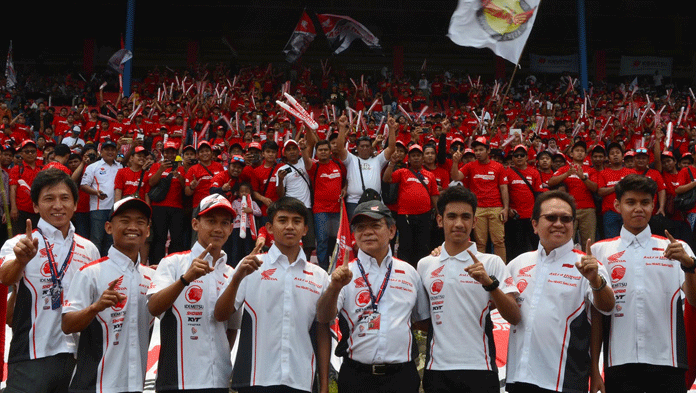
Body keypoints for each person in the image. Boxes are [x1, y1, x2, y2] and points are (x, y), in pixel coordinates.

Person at [590, 174, 696, 393]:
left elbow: (695, 301)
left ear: (653, 205)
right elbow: (596, 316)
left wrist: (689, 266)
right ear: (617, 205)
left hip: (669, 360)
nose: (638, 208)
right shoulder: (599, 251)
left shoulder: (678, 248)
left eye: (645, 202)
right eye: (631, 202)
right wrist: (593, 369)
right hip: (619, 360)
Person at [214, 196, 331, 393]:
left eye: (297, 221)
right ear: (269, 227)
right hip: (254, 379)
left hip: (301, 379)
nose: (290, 227)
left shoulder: (319, 276)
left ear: (305, 229)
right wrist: (236, 279)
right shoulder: (250, 266)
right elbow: (220, 314)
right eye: (282, 220)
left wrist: (325, 386)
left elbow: (322, 332)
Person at [0, 169, 100, 393]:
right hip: (32, 354)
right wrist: (20, 260)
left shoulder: (89, 249)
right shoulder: (20, 243)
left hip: (77, 355)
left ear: (75, 204)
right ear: (35, 206)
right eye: (49, 199)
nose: (58, 205)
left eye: (65, 198)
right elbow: (5, 277)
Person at [505, 190, 615, 393]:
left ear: (573, 225)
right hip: (518, 377)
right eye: (551, 217)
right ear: (535, 224)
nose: (559, 224)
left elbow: (607, 307)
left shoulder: (589, 265)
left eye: (566, 219)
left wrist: (595, 280)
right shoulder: (517, 264)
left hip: (566, 381)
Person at [315, 199, 430, 393]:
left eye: (376, 225)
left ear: (392, 231)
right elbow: (324, 318)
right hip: (357, 377)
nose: (367, 232)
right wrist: (334, 287)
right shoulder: (342, 274)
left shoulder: (409, 272)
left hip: (401, 377)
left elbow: (422, 321)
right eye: (360, 227)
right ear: (354, 234)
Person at [417, 186, 520, 393]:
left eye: (465, 217)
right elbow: (422, 320)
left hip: (480, 367)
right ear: (440, 220)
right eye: (451, 216)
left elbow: (515, 316)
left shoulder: (491, 262)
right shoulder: (425, 264)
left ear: (474, 221)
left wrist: (490, 285)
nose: (458, 224)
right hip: (437, 369)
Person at [147, 193, 243, 393]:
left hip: (217, 378)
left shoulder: (232, 273)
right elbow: (154, 307)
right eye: (210, 221)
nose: (218, 228)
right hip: (177, 379)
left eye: (225, 223)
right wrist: (185, 279)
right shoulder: (173, 263)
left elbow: (232, 328)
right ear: (195, 224)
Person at [61, 197, 155, 393]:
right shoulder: (90, 273)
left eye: (140, 221)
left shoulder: (152, 277)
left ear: (147, 230)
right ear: (108, 227)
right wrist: (96, 307)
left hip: (135, 384)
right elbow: (67, 324)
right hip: (94, 385)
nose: (133, 227)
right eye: (125, 220)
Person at [451, 136, 509, 261]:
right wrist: (455, 162)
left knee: (498, 241)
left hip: (496, 208)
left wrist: (505, 208)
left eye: (481, 149)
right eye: (476, 150)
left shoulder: (498, 167)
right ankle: (480, 268)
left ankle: (501, 269)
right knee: (480, 243)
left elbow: (504, 189)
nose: (478, 153)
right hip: (478, 208)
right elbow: (456, 177)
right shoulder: (470, 166)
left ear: (488, 151)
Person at [382, 143, 439, 266]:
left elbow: (434, 195)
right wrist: (392, 163)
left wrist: (439, 213)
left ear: (422, 158)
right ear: (409, 158)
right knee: (405, 245)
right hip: (405, 216)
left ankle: (421, 270)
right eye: (413, 155)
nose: (416, 158)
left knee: (422, 246)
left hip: (424, 216)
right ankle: (404, 271)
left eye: (418, 155)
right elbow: (387, 179)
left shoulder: (430, 175)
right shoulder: (402, 172)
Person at [336, 115, 396, 220]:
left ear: (371, 148)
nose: (365, 148)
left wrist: (391, 129)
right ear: (357, 148)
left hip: (374, 201)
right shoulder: (351, 159)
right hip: (353, 202)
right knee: (354, 232)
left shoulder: (378, 160)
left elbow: (391, 148)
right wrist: (342, 127)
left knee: (374, 230)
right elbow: (340, 147)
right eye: (362, 146)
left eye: (367, 146)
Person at [548, 140, 598, 251]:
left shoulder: (590, 170)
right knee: (566, 240)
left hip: (588, 209)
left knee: (589, 241)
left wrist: (583, 177)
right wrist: (567, 174)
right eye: (577, 150)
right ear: (571, 154)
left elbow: (595, 188)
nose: (579, 153)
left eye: (582, 151)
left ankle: (587, 265)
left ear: (585, 155)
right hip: (568, 209)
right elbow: (550, 182)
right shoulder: (564, 169)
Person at [146, 140, 188, 266]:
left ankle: (174, 264)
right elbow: (151, 183)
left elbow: (186, 189)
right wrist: (161, 170)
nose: (170, 154)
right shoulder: (156, 166)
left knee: (176, 239)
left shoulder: (182, 168)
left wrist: (180, 177)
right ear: (163, 153)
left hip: (177, 208)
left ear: (176, 153)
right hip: (159, 207)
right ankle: (156, 264)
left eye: (172, 152)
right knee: (159, 238)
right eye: (167, 152)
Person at [80, 140, 122, 256]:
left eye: (112, 150)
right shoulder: (93, 167)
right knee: (96, 239)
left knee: (111, 239)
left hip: (114, 208)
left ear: (116, 151)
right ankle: (95, 264)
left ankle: (107, 264)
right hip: (98, 208)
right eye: (107, 149)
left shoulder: (120, 166)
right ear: (101, 151)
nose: (110, 152)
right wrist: (96, 192)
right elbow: (83, 185)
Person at [505, 144, 544, 261]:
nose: (519, 157)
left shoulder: (534, 173)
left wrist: (536, 214)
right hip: (515, 217)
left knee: (535, 246)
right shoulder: (507, 172)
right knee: (516, 249)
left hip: (531, 217)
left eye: (522, 155)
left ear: (527, 157)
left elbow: (538, 195)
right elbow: (504, 193)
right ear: (512, 158)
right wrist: (508, 209)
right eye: (516, 155)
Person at [9, 139, 43, 236]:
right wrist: (14, 208)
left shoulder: (41, 169)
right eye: (26, 151)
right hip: (21, 211)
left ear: (36, 153)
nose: (30, 154)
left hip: (38, 211)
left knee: (37, 238)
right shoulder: (17, 169)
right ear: (22, 153)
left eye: (32, 151)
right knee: (19, 238)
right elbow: (13, 189)